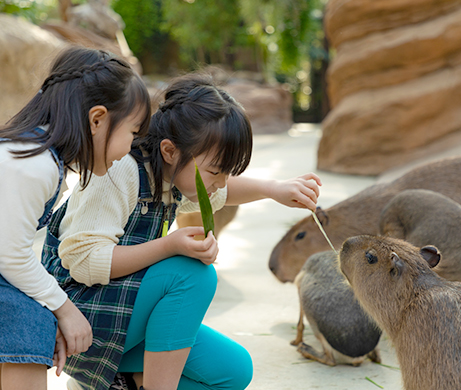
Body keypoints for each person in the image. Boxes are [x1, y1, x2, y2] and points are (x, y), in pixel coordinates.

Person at [42, 73, 321, 390]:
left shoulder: (171, 174)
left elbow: (221, 192)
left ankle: (117, 383)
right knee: (191, 273)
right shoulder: (121, 170)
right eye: (216, 171)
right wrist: (169, 246)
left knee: (233, 371)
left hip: (121, 316)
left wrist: (274, 189)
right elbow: (84, 262)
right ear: (170, 150)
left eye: (228, 172)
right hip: (76, 323)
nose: (220, 182)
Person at [0, 46, 151, 390]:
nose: (130, 148)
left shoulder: (34, 154)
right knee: (29, 314)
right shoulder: (31, 164)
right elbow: (11, 256)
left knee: (33, 308)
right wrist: (65, 310)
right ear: (97, 120)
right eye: (132, 132)